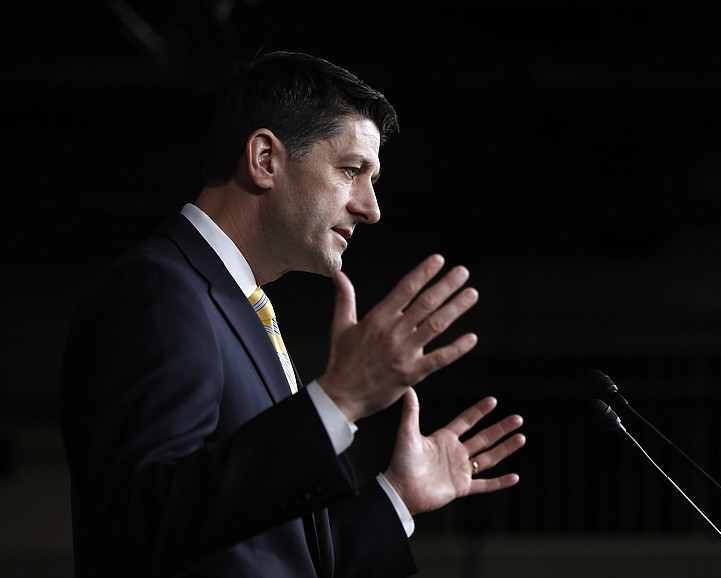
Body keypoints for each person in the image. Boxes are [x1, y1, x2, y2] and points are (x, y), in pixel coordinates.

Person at [60, 50, 526, 578]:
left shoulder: (240, 306)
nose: (371, 207)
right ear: (264, 159)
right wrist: (341, 400)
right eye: (352, 170)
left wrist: (398, 496)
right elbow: (140, 530)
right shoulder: (157, 291)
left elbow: (271, 557)